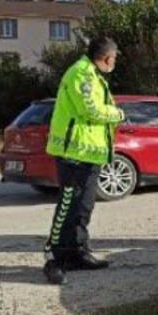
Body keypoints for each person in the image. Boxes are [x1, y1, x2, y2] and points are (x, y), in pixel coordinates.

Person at [42, 37, 125, 285]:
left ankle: (77, 253)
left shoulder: (94, 75)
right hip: (73, 154)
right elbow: (90, 110)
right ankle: (54, 258)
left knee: (84, 207)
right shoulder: (81, 73)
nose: (115, 62)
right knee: (68, 206)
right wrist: (118, 113)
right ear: (107, 57)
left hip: (89, 155)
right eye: (115, 58)